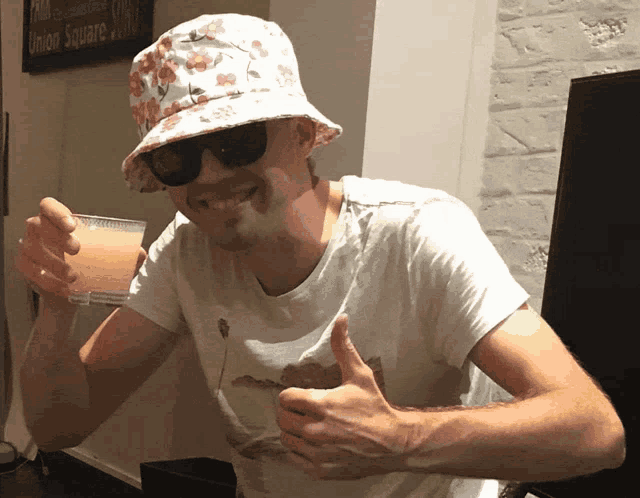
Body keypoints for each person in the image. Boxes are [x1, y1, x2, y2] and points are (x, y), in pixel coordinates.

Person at [17, 13, 625, 498]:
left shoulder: (416, 233)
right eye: (178, 156)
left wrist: (400, 438)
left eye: (235, 139)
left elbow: (593, 429)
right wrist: (55, 311)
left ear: (304, 134)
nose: (209, 175)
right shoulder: (185, 254)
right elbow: (58, 426)